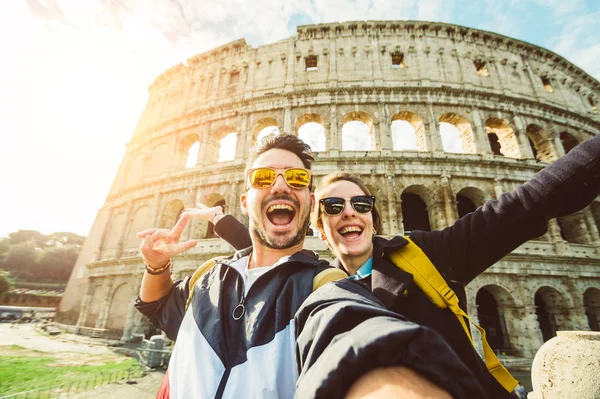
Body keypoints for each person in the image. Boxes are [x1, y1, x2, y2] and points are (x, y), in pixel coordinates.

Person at [193, 133, 600, 398]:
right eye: (334, 206)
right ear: (319, 223)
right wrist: (220, 220)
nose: (349, 213)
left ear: (373, 215)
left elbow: (526, 205)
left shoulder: (428, 255)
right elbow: (263, 243)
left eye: (361, 204)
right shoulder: (315, 279)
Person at [134, 134, 484, 399]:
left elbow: (356, 339)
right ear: (244, 201)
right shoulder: (207, 275)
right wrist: (156, 267)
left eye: (297, 180)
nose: (281, 186)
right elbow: (158, 307)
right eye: (264, 178)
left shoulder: (324, 287)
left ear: (310, 201)